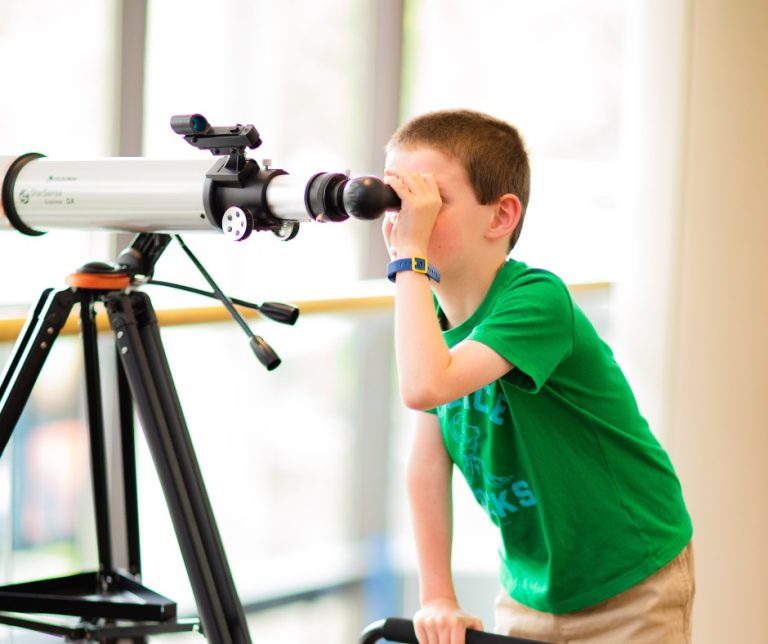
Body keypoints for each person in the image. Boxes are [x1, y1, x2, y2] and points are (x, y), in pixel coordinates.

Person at [381, 109, 694, 644]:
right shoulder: (431, 325)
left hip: (631, 580)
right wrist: (437, 596)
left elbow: (424, 386)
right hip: (531, 587)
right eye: (396, 200)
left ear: (500, 217)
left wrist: (409, 258)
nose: (404, 219)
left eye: (431, 200)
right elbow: (427, 464)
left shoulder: (537, 300)